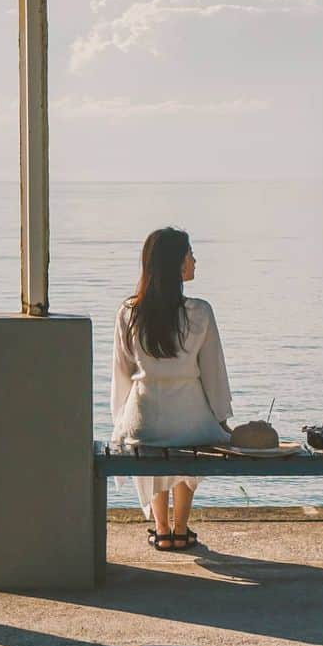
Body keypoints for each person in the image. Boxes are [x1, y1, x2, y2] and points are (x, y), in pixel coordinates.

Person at [111, 227, 232, 551]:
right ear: (177, 265)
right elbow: (213, 373)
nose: (194, 260)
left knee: (152, 440)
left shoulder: (129, 311)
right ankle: (180, 529)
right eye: (189, 254)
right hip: (190, 417)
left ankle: (161, 529)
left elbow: (122, 372)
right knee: (190, 437)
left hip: (143, 417)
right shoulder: (200, 311)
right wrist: (220, 418)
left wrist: (121, 416)